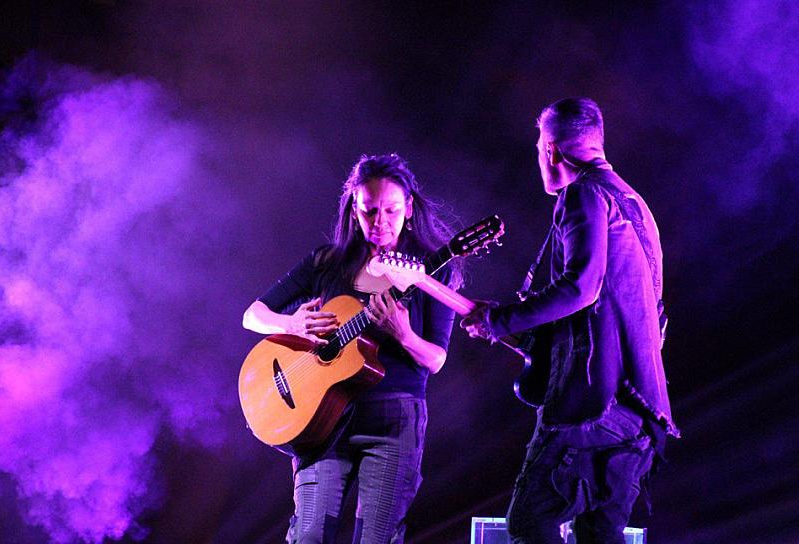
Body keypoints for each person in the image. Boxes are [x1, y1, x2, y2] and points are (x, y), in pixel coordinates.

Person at [461, 97, 678, 544]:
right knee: (600, 535)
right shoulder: (635, 203)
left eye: (540, 145)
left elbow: (582, 288)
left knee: (529, 523)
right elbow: (641, 314)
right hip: (642, 415)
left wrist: (500, 320)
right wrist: (516, 330)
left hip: (591, 407)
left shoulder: (582, 194)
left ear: (552, 151)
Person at [242, 153, 460, 544]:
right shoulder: (327, 262)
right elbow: (253, 314)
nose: (380, 223)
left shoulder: (430, 271)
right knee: (308, 536)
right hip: (323, 420)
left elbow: (437, 359)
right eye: (369, 211)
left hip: (393, 421)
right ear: (353, 210)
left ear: (409, 208)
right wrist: (291, 323)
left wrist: (404, 335)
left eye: (391, 211)